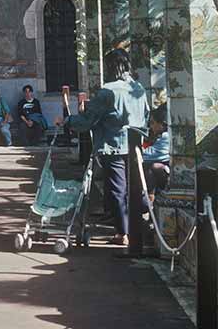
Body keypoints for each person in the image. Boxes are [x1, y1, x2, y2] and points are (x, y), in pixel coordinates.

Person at [58, 49, 149, 245]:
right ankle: (140, 227)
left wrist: (67, 121)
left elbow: (88, 120)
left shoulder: (108, 91)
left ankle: (122, 233)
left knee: (117, 190)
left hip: (112, 145)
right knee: (137, 187)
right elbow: (146, 115)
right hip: (135, 144)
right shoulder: (139, 88)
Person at [142, 104, 170, 202]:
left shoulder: (166, 137)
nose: (151, 126)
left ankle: (150, 197)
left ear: (161, 124)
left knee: (150, 167)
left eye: (153, 123)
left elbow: (148, 155)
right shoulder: (161, 136)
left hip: (166, 169)